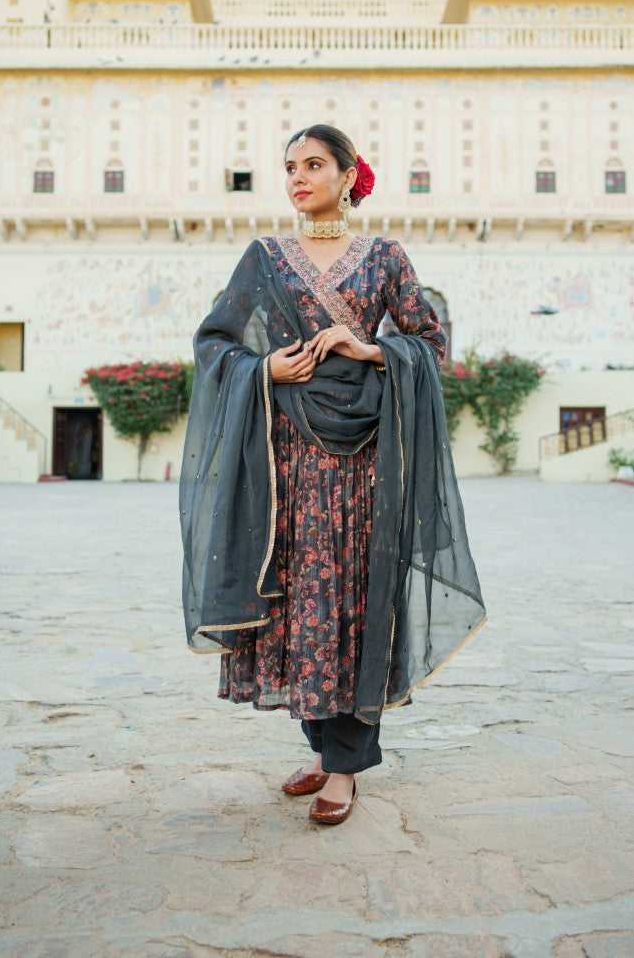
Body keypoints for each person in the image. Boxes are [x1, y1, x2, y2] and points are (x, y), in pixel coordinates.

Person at [179, 124, 487, 826]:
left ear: (350, 175)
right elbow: (214, 342)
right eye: (289, 166)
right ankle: (321, 748)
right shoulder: (265, 259)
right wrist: (265, 370)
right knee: (301, 607)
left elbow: (431, 347)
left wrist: (369, 345)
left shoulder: (385, 258)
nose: (298, 177)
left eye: (314, 164)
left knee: (353, 600)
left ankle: (345, 768)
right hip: (286, 464)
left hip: (364, 466)